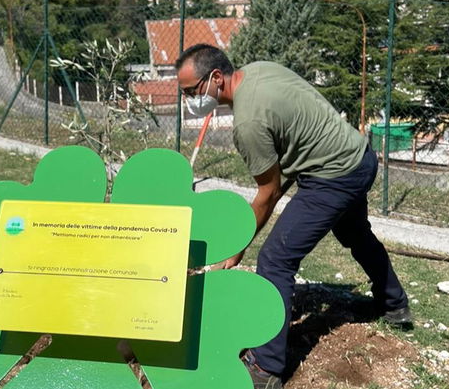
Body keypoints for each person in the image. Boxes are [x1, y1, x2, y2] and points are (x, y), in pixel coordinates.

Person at [175, 44, 410, 389]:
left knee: (275, 259)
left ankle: (267, 368)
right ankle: (396, 306)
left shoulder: (248, 122)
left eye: (191, 91)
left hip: (333, 176)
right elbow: (284, 168)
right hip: (358, 156)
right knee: (355, 234)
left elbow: (268, 191)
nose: (190, 101)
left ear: (215, 78)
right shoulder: (258, 69)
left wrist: (239, 245)